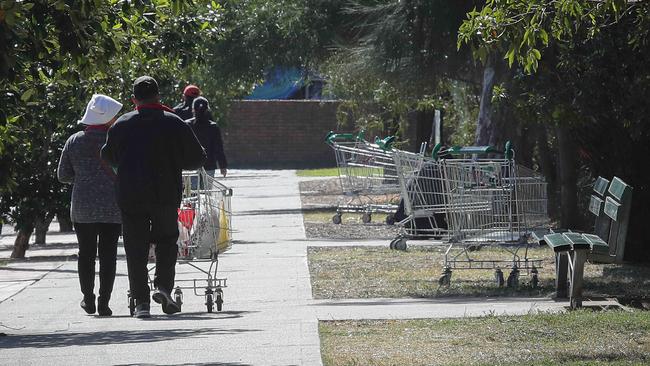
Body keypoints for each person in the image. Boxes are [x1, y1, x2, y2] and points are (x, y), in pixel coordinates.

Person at [101, 76, 206, 318]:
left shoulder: (122, 124)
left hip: (130, 195)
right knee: (167, 241)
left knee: (135, 247)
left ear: (134, 99)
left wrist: (125, 167)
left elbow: (107, 156)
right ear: (158, 96)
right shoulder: (175, 122)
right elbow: (197, 158)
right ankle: (163, 287)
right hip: (165, 194)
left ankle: (141, 303)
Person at [57, 94, 124, 317]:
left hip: (83, 208)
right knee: (108, 255)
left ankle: (88, 299)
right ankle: (104, 303)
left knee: (85, 254)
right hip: (113, 206)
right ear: (109, 119)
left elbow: (63, 175)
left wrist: (84, 177)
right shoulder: (119, 140)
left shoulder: (74, 141)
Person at [187, 96, 228, 179]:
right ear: (207, 110)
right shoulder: (213, 127)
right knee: (207, 190)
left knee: (193, 191)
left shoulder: (188, 125)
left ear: (193, 109)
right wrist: (222, 165)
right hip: (209, 164)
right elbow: (218, 148)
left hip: (191, 165)